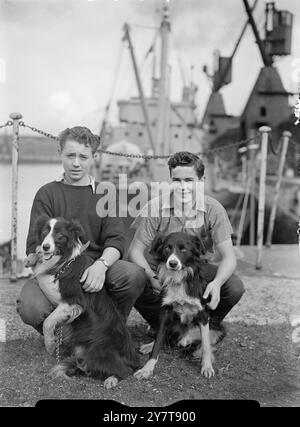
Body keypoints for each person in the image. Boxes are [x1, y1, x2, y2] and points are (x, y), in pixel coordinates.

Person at [16, 126, 147, 334]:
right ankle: (63, 334)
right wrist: (46, 282)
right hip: (56, 270)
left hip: (93, 269)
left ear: (94, 157)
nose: (76, 163)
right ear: (60, 153)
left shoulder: (105, 193)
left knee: (133, 275)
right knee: (30, 307)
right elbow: (34, 244)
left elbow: (116, 241)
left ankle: (110, 330)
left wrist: (101, 266)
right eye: (70, 155)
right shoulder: (47, 193)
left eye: (83, 157)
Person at [128, 151, 245, 336]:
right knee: (133, 278)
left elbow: (229, 257)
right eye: (176, 180)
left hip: (195, 269)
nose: (182, 187)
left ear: (201, 180)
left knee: (234, 287)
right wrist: (151, 276)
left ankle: (201, 328)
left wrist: (216, 283)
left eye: (189, 181)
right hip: (160, 268)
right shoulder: (154, 207)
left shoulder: (214, 209)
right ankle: (160, 325)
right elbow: (135, 251)